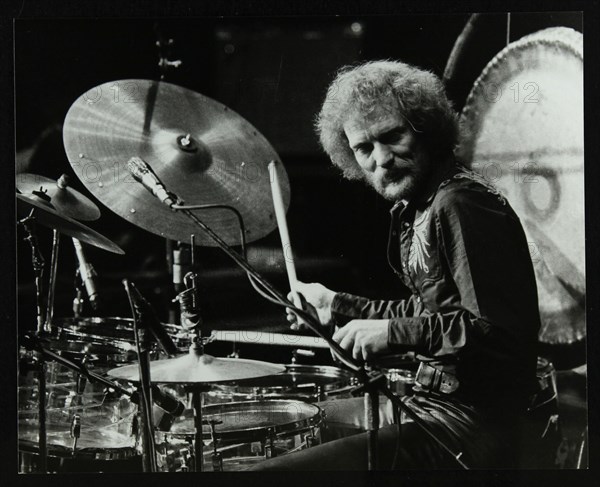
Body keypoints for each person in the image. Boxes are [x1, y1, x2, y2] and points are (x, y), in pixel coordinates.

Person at [250, 60, 541, 470]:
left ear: (425, 129)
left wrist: (389, 333)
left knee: (266, 471)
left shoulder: (460, 204)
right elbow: (432, 313)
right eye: (363, 148)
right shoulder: (417, 206)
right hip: (426, 402)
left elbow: (493, 332)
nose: (381, 159)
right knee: (290, 422)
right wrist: (336, 304)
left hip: (468, 424)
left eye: (392, 136)